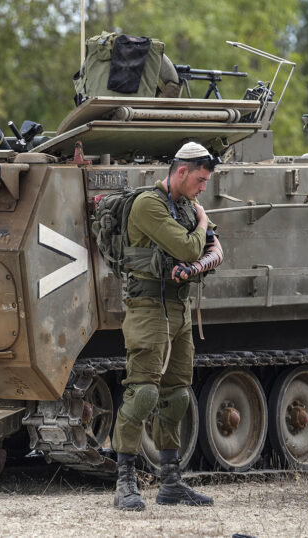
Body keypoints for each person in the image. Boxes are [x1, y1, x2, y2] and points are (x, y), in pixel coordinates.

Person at [111, 141, 224, 511]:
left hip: (179, 308)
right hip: (147, 308)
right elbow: (193, 248)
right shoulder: (149, 205)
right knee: (142, 392)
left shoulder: (186, 206)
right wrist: (203, 225)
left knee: (176, 395)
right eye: (200, 180)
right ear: (180, 172)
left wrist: (200, 247)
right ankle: (125, 480)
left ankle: (171, 481)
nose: (203, 188)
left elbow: (215, 251)